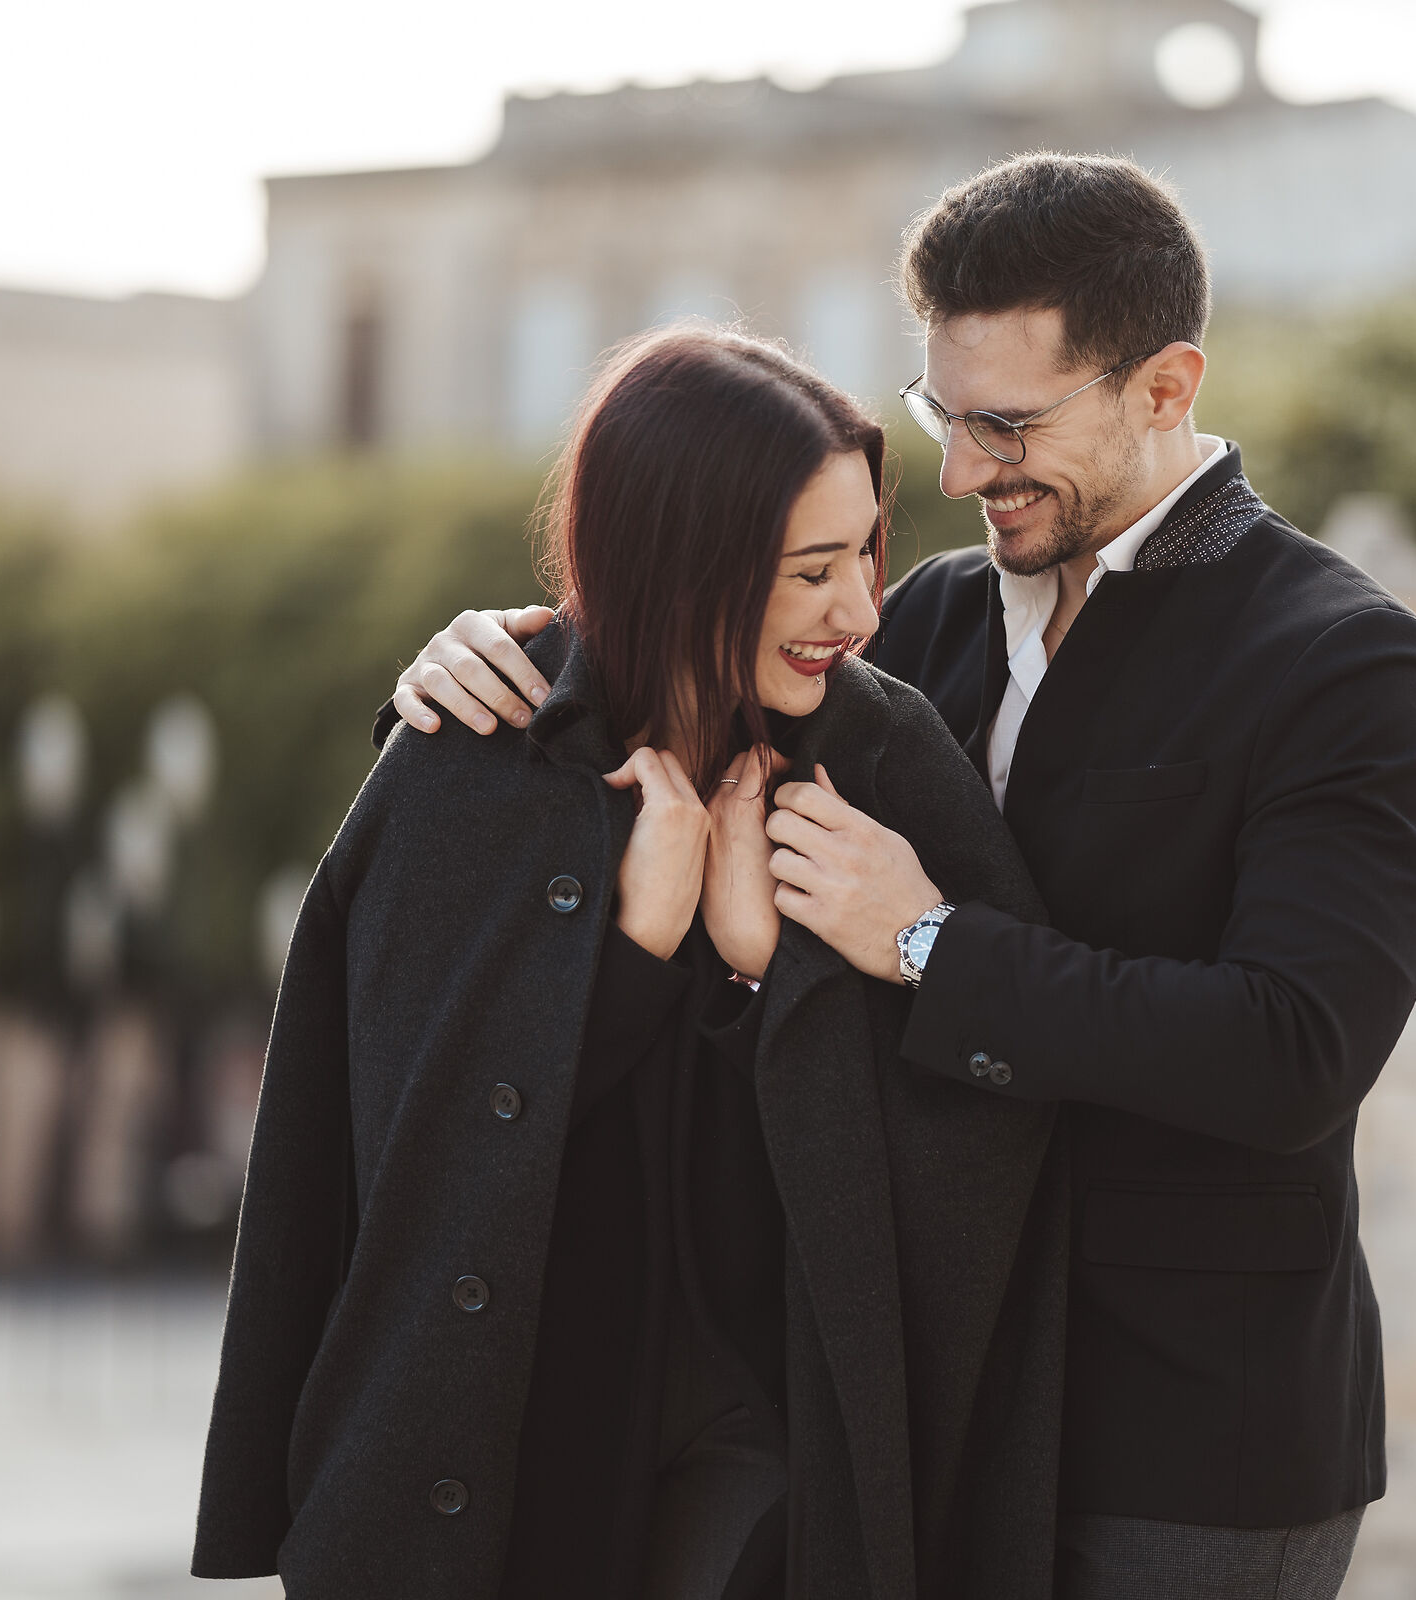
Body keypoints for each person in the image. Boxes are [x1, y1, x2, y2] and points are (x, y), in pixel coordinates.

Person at [392, 154, 1416, 1598]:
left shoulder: (1349, 663)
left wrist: (929, 944)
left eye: (1009, 425)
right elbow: (679, 675)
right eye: (943, 416)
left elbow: (1291, 1054)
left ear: (1165, 388)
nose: (960, 473)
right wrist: (491, 663)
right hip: (918, 1403)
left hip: (1184, 1440)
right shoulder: (918, 623)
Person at [193, 327, 1068, 1600]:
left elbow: (998, 1127)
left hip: (769, 1450)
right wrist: (635, 956)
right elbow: (401, 1162)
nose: (860, 611)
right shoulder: (472, 753)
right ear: (687, 568)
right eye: (812, 570)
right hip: (507, 1462)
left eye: (865, 553)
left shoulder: (886, 755)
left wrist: (766, 974)